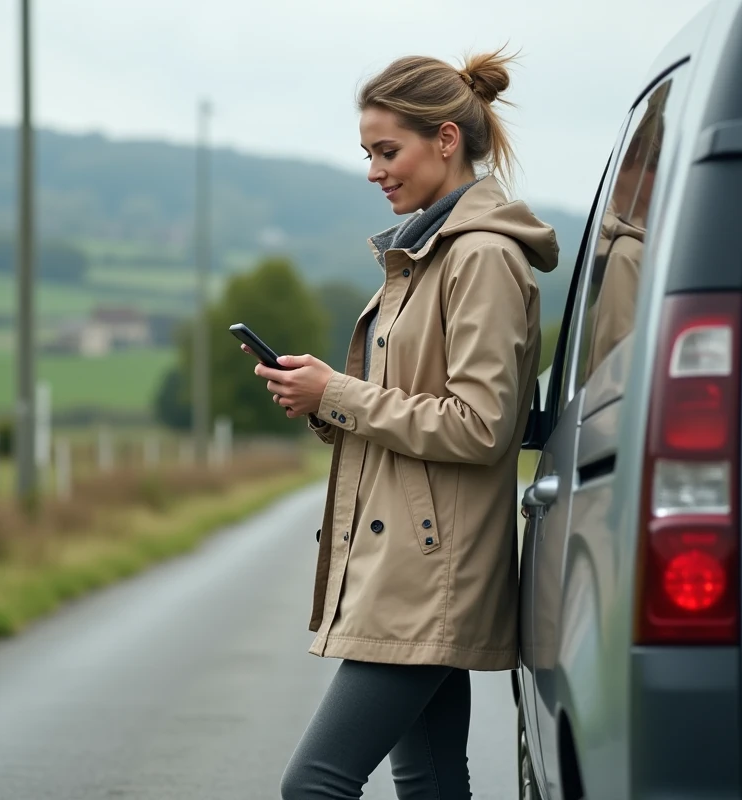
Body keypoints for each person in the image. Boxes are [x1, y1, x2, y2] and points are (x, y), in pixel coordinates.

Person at [245, 50, 559, 799]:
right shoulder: (428, 252)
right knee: (429, 781)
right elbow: (413, 407)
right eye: (368, 154)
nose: (373, 170)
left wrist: (339, 394)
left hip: (430, 571)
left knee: (314, 785)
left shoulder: (479, 256)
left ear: (445, 140)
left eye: (388, 151)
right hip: (414, 564)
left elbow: (483, 425)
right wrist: (320, 398)